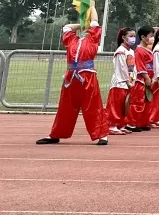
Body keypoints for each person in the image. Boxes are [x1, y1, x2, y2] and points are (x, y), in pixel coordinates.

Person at [36, 15, 111, 145]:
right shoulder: (71, 40)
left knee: (92, 106)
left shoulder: (93, 39)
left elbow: (95, 22)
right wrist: (82, 24)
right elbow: (67, 27)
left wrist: (91, 8)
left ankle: (101, 135)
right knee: (65, 107)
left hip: (87, 77)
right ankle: (56, 134)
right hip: (70, 78)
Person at [125, 26, 156, 132]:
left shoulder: (147, 50)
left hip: (148, 79)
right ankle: (132, 123)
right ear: (143, 37)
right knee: (138, 101)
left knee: (147, 102)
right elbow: (140, 66)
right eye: (151, 36)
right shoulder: (139, 50)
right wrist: (146, 78)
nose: (152, 38)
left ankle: (142, 122)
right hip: (140, 80)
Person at [106, 27, 136, 135]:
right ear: (123, 37)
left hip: (128, 82)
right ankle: (112, 125)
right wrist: (127, 81)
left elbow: (133, 68)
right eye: (130, 36)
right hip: (119, 82)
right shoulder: (120, 51)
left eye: (134, 36)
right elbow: (121, 68)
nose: (133, 38)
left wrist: (133, 79)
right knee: (116, 104)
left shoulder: (131, 51)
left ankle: (121, 124)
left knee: (124, 105)